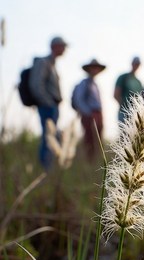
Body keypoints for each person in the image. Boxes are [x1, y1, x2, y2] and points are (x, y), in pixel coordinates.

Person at [29, 36, 67, 169]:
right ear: (54, 46)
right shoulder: (44, 63)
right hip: (47, 106)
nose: (64, 49)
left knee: (52, 138)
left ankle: (48, 168)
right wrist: (48, 102)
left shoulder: (52, 64)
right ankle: (45, 168)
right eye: (62, 46)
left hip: (52, 106)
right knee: (48, 138)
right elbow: (36, 85)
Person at [72, 59, 106, 161]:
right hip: (90, 115)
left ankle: (95, 160)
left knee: (98, 139)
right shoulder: (84, 83)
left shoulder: (95, 84)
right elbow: (79, 100)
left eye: (97, 68)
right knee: (89, 139)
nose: (95, 70)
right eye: (93, 68)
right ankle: (89, 160)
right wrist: (88, 113)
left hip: (97, 114)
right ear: (89, 69)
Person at [114, 56, 143, 122]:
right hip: (124, 113)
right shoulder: (123, 77)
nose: (136, 65)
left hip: (135, 114)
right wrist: (124, 106)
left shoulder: (138, 82)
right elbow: (116, 94)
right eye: (135, 63)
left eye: (138, 64)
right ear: (132, 63)